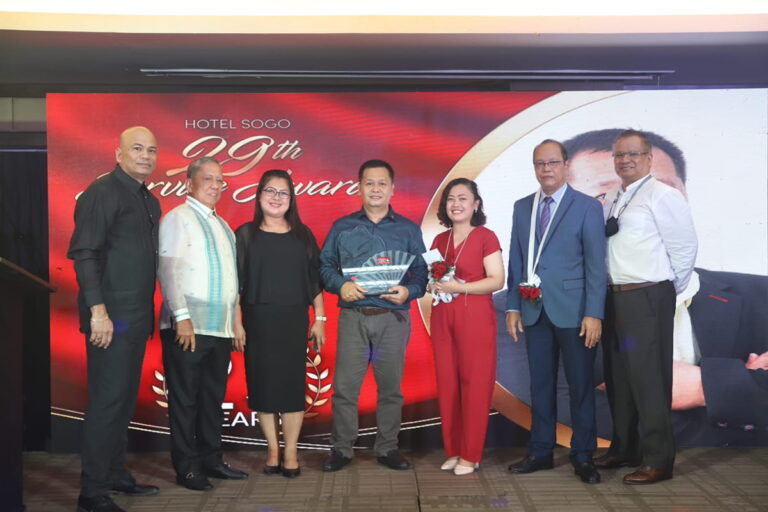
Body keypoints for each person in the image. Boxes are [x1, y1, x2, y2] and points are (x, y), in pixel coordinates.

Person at [565, 128, 768, 447]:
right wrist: (740, 392)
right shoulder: (521, 307)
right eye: (606, 196)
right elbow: (574, 416)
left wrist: (705, 386)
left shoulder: (762, 296)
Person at [596, 129, 698, 485]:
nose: (626, 160)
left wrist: (664, 290)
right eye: (620, 154)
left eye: (633, 154)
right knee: (619, 375)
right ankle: (625, 447)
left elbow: (684, 249)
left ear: (648, 158)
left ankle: (658, 459)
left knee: (648, 378)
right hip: (613, 296)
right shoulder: (610, 197)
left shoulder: (663, 195)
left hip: (646, 295)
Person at [68, 126, 161, 512]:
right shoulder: (102, 192)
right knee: (107, 402)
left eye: (151, 150)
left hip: (136, 316)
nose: (145, 155)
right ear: (118, 153)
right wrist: (98, 312)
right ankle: (92, 493)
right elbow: (85, 254)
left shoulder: (148, 200)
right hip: (110, 318)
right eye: (137, 148)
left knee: (122, 402)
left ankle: (116, 474)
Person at [505, 139, 607, 484]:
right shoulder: (522, 207)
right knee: (541, 385)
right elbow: (517, 260)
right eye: (539, 163)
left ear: (566, 166)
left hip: (576, 312)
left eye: (552, 162)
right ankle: (540, 451)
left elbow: (596, 264)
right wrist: (513, 305)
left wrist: (595, 313)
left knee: (580, 386)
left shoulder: (587, 207)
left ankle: (582, 455)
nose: (545, 169)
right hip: (534, 309)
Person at [319, 159, 427, 472]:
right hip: (354, 317)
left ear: (392, 189)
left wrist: (409, 291)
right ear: (359, 187)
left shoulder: (407, 229)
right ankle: (341, 450)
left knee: (391, 388)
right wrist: (340, 286)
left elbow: (421, 272)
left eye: (382, 183)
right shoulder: (342, 227)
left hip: (393, 319)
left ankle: (387, 448)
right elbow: (325, 267)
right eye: (369, 183)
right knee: (345, 388)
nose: (375, 189)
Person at [157, 157, 249, 491]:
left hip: (221, 328)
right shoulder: (177, 219)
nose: (215, 185)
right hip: (188, 327)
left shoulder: (223, 225)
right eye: (208, 179)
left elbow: (232, 279)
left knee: (212, 398)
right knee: (185, 399)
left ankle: (211, 460)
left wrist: (236, 322)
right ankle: (187, 468)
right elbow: (167, 271)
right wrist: (181, 317)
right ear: (190, 183)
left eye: (220, 181)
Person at [235, 169, 326, 478]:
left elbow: (314, 280)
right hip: (257, 319)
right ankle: (272, 449)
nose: (276, 198)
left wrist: (320, 318)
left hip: (293, 319)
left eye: (283, 193)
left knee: (291, 387)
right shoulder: (245, 234)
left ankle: (291, 452)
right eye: (270, 191)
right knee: (262, 386)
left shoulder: (303, 235)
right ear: (259, 196)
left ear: (292, 199)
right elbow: (236, 284)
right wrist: (237, 323)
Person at [427, 178, 504, 476]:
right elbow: (433, 279)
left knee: (475, 384)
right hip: (443, 316)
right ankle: (454, 450)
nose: (456, 204)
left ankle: (471, 455)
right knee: (447, 384)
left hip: (475, 317)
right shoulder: (438, 241)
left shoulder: (486, 236)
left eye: (463, 198)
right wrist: (434, 284)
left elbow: (497, 280)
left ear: (476, 204)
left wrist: (460, 287)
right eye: (450, 199)